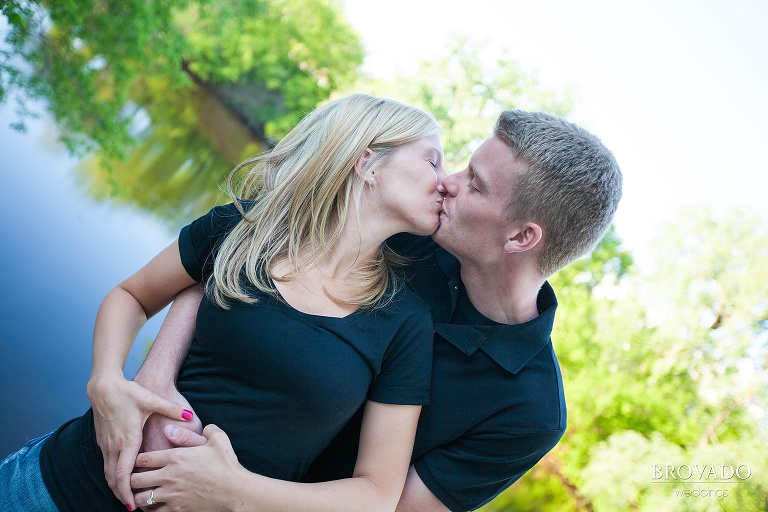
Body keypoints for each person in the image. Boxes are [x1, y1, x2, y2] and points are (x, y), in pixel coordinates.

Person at [103, 109, 623, 511]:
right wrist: (156, 380)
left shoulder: (529, 410)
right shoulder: (413, 234)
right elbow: (234, 257)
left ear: (522, 237)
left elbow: (386, 507)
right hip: (149, 458)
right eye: (457, 165)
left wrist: (230, 491)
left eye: (475, 184)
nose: (449, 182)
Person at [0, 93, 449, 512]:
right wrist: (107, 383)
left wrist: (234, 491)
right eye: (433, 160)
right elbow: (131, 296)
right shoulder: (244, 228)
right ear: (367, 161)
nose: (446, 182)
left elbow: (376, 495)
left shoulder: (405, 320)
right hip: (53, 486)